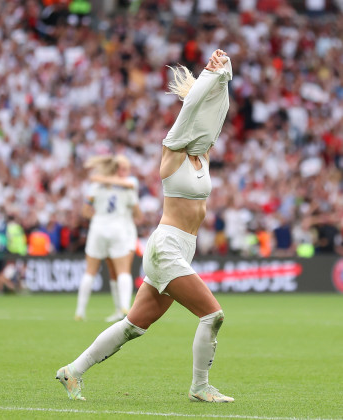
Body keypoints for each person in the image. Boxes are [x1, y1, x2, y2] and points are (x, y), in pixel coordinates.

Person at [56, 50, 235, 403]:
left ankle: (72, 372)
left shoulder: (204, 155)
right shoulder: (173, 152)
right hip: (166, 246)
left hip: (182, 247)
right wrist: (209, 75)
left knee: (133, 327)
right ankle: (200, 387)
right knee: (212, 315)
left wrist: (225, 75)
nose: (202, 124)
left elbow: (216, 115)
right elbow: (192, 108)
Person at [74, 155, 141, 323]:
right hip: (119, 229)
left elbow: (85, 210)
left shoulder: (96, 186)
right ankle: (124, 308)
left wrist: (97, 216)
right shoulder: (127, 188)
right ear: (117, 169)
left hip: (98, 228)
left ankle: (80, 312)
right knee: (123, 271)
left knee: (90, 271)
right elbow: (138, 213)